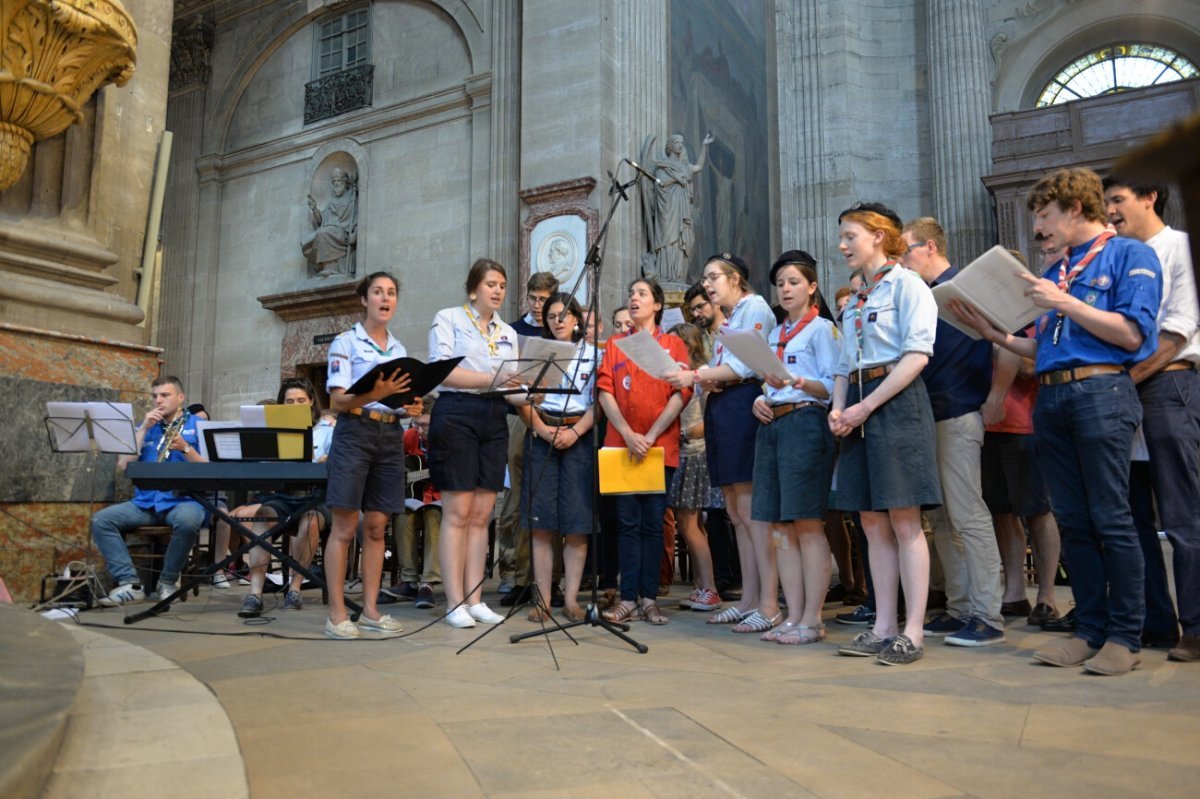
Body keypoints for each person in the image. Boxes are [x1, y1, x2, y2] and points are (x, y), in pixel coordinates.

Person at [951, 167, 1162, 676]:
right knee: (1072, 518)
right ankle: (1088, 630)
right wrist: (995, 334)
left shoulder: (1130, 254)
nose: (1039, 227)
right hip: (1053, 396)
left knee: (1111, 517)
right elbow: (1043, 346)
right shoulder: (1054, 272)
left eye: (1045, 216)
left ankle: (1125, 637)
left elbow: (1132, 335)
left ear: (1074, 209)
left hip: (1102, 390)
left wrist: (1064, 300)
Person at [829, 202, 940, 666]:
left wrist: (865, 406)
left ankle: (912, 631)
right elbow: (841, 364)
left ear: (878, 235)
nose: (842, 245)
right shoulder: (856, 298)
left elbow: (917, 355)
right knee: (871, 522)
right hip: (856, 405)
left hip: (893, 403)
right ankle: (883, 625)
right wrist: (837, 409)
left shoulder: (908, 286)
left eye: (850, 235)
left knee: (904, 521)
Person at [1104, 175, 1199, 663]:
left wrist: (1126, 379)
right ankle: (1155, 621)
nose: (1111, 212)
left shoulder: (1181, 247)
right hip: (1124, 392)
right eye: (1106, 205)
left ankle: (1197, 627)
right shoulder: (1116, 257)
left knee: (1184, 516)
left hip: (1170, 385)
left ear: (1149, 197)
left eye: (1118, 201)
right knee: (1133, 516)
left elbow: (1178, 331)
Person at [900, 216, 1007, 647]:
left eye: (906, 250)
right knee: (941, 517)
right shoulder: (920, 295)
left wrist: (997, 394)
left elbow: (1005, 336)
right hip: (930, 412)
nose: (902, 259)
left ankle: (988, 612)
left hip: (961, 409)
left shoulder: (965, 287)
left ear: (929, 247)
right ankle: (960, 606)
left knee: (969, 514)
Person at [665, 254, 779, 635]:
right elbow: (722, 370)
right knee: (734, 511)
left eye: (713, 277)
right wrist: (708, 380)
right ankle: (747, 599)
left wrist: (695, 374)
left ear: (736, 279)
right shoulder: (728, 321)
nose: (708, 284)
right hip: (723, 405)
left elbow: (746, 368)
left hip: (743, 406)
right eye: (705, 278)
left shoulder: (755, 308)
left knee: (750, 511)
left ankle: (768, 602)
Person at [750, 251, 841, 644]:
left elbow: (833, 383)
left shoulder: (821, 329)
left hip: (806, 421)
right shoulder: (774, 333)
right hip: (774, 423)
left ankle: (813, 618)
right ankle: (791, 614)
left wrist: (802, 383)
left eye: (793, 282)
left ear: (811, 286)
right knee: (779, 526)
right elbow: (769, 381)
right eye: (781, 284)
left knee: (805, 521)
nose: (785, 289)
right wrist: (760, 396)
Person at [320, 272, 417, 639]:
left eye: (391, 292)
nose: (385, 298)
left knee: (377, 528)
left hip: (390, 433)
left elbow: (399, 400)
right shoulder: (346, 342)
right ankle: (337, 613)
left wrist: (410, 406)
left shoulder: (399, 349)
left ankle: (372, 610)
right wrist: (378, 390)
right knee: (345, 527)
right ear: (364, 299)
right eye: (377, 292)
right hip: (354, 432)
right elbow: (338, 400)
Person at [428, 258, 521, 628]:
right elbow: (444, 371)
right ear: (473, 289)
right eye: (491, 284)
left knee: (483, 515)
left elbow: (512, 385)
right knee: (458, 512)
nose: (498, 290)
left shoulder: (508, 333)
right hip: (456, 413)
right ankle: (454, 602)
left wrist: (539, 392)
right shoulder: (448, 318)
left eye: (502, 285)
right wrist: (493, 380)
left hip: (494, 416)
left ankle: (476, 598)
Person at [597, 277, 691, 624]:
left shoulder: (672, 345)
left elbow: (680, 395)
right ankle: (626, 599)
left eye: (641, 294)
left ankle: (649, 597)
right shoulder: (615, 344)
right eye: (631, 293)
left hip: (658, 448)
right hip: (622, 446)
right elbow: (605, 389)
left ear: (657, 305)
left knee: (653, 524)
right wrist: (626, 432)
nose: (633, 299)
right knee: (625, 523)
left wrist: (650, 435)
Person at [983, 244, 1063, 629]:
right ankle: (1014, 591)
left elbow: (1031, 365)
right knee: (1001, 511)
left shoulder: (1033, 312)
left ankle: (1047, 595)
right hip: (988, 426)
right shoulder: (986, 315)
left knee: (1038, 510)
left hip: (1024, 423)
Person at [92, 376, 207, 606]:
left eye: (165, 395)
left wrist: (185, 448)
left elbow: (209, 470)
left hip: (182, 500)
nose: (158, 401)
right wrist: (143, 428)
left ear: (180, 397)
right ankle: (130, 584)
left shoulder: (198, 425)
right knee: (101, 520)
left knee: (188, 520)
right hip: (145, 502)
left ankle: (167, 582)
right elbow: (124, 464)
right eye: (155, 396)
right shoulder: (145, 427)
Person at [520, 293, 596, 622]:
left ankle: (573, 599)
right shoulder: (538, 353)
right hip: (542, 434)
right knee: (541, 524)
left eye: (564, 315)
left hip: (579, 435)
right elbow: (521, 398)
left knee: (577, 524)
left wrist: (576, 432)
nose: (558, 320)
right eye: (551, 316)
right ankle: (543, 600)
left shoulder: (594, 354)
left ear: (577, 319)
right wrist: (540, 428)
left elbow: (600, 401)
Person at [228, 378, 332, 618]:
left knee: (311, 521)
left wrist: (326, 462)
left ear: (311, 402)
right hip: (284, 496)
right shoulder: (273, 431)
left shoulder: (326, 430)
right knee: (262, 515)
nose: (295, 406)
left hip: (315, 498)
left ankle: (295, 588)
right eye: (289, 401)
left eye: (300, 401)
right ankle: (255, 592)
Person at [497, 271, 560, 603]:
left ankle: (554, 580)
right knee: (521, 498)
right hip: (518, 416)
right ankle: (522, 578)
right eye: (533, 298)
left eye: (544, 300)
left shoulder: (558, 330)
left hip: (555, 413)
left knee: (552, 495)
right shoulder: (512, 330)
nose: (538, 306)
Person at [665, 322, 723, 612]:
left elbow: (707, 421)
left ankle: (710, 588)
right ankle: (701, 586)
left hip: (693, 453)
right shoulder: (680, 373)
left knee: (689, 524)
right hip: (684, 452)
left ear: (688, 345)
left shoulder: (700, 375)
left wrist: (683, 434)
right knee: (693, 524)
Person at [302, 167, 357, 276]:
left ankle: (332, 268)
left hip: (343, 233)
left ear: (345, 182)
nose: (336, 184)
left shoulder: (352, 199)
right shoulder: (332, 200)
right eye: (334, 181)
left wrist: (355, 235)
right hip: (330, 230)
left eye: (339, 181)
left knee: (323, 234)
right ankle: (327, 267)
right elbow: (322, 220)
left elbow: (356, 220)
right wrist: (315, 209)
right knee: (315, 237)